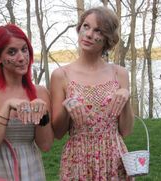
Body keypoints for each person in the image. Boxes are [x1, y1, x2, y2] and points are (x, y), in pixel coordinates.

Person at [50, 6, 135, 181]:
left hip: (113, 157)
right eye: (86, 26)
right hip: (78, 158)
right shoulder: (61, 75)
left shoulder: (119, 73)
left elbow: (125, 131)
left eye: (98, 31)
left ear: (107, 39)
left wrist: (126, 98)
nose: (88, 34)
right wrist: (67, 107)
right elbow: (58, 133)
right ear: (79, 28)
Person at [0, 24, 54, 181]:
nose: (21, 58)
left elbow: (46, 145)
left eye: (24, 49)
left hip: (30, 166)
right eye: (12, 52)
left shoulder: (40, 93)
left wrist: (43, 114)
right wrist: (6, 108)